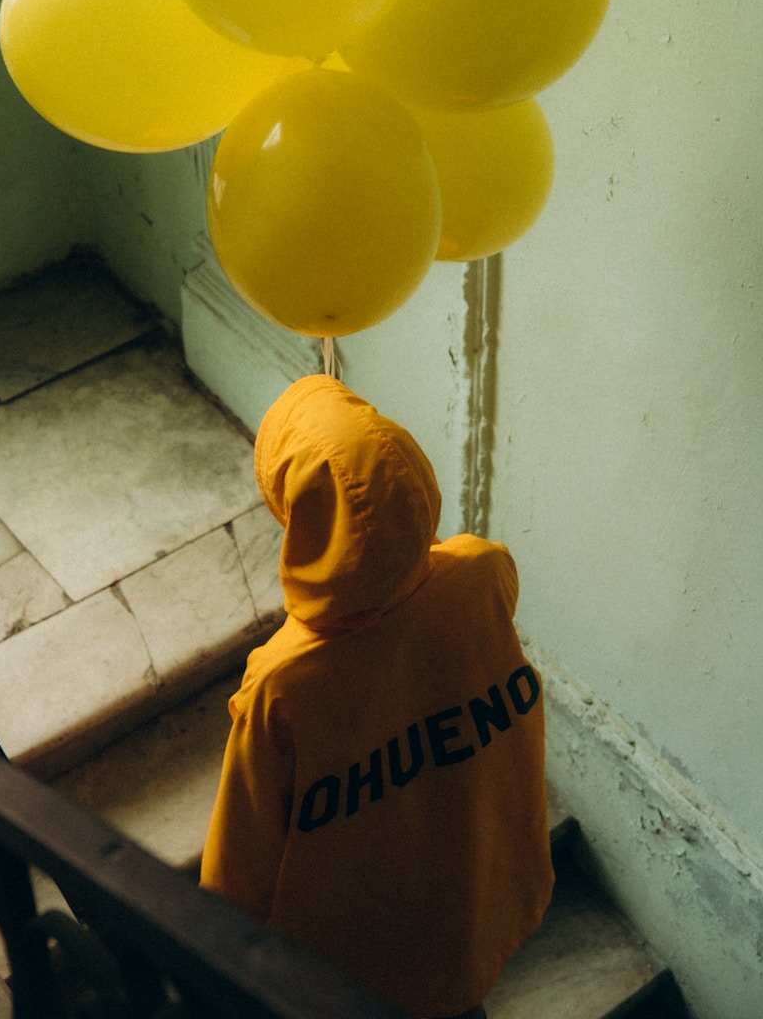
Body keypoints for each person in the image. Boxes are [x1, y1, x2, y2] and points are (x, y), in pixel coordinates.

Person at [201, 374, 554, 1019]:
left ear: (296, 510)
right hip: (466, 912)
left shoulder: (281, 685)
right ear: (410, 473)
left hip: (347, 967)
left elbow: (237, 870)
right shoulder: (482, 574)